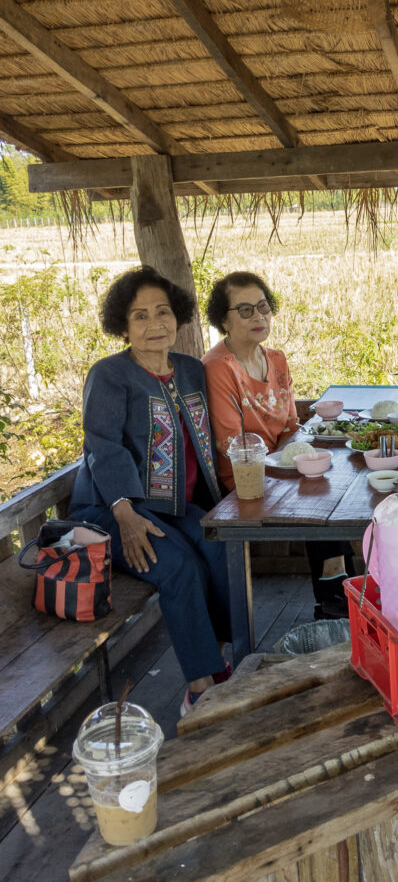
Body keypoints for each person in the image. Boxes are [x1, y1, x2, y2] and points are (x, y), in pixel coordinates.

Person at [69, 266, 233, 717]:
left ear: (178, 317)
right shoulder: (110, 374)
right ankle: (199, 687)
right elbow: (102, 447)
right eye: (139, 316)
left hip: (172, 506)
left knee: (217, 547)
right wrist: (124, 513)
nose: (154, 323)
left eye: (163, 312)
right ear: (122, 326)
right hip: (110, 509)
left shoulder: (190, 370)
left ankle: (221, 660)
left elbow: (205, 440)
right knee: (178, 565)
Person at [203, 271, 354, 618]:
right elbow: (233, 444)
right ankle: (337, 599)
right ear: (222, 319)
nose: (258, 316)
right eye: (244, 310)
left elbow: (289, 427)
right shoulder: (218, 368)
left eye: (263, 306)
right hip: (244, 480)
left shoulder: (277, 359)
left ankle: (343, 596)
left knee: (334, 481)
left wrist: (297, 459)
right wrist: (294, 463)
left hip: (283, 468)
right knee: (320, 493)